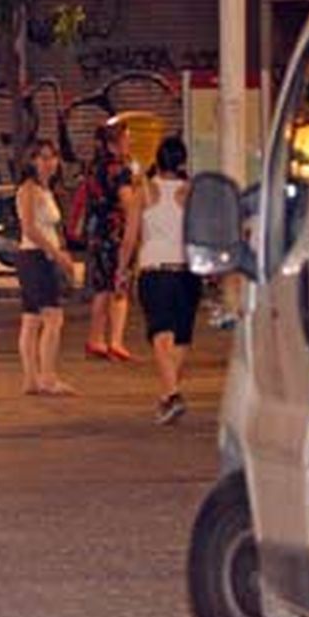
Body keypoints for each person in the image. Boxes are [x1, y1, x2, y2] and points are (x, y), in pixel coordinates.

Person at [121, 136, 202, 424]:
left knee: (160, 334)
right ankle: (167, 396)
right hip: (187, 271)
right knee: (180, 338)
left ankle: (173, 393)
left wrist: (122, 270)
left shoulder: (144, 191)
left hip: (155, 269)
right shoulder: (191, 192)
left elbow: (130, 238)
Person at [15, 139, 76, 395]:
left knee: (32, 319)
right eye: (42, 157)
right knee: (53, 318)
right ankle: (47, 377)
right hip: (35, 257)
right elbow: (30, 228)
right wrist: (56, 254)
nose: (49, 163)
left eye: (52, 157)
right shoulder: (28, 189)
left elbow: (51, 228)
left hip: (40, 256)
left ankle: (31, 379)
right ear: (31, 161)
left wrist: (62, 253)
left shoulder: (47, 190)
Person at [84, 118, 138, 362]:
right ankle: (116, 341)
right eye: (127, 138)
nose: (131, 143)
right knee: (119, 285)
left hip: (97, 232)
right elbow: (127, 202)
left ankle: (96, 339)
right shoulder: (120, 170)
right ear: (114, 143)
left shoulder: (95, 167)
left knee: (101, 288)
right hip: (116, 233)